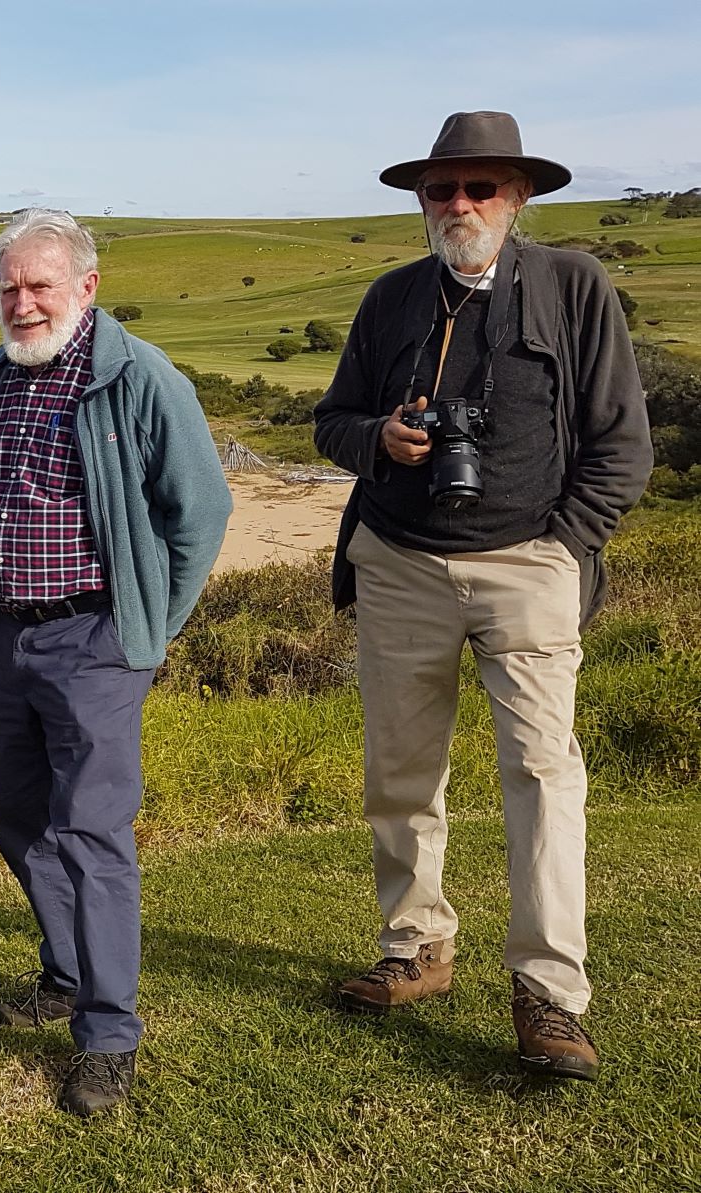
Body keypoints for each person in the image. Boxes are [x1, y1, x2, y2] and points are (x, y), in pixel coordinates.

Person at [313, 112, 652, 1080]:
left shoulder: (572, 285)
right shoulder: (389, 299)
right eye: (441, 190)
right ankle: (416, 941)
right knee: (400, 770)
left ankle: (550, 991)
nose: (458, 206)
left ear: (519, 196)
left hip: (529, 562)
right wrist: (378, 436)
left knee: (544, 776)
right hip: (397, 560)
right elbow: (328, 421)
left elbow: (621, 443)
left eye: (480, 188)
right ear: (421, 200)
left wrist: (563, 545)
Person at [0, 209, 231, 1115]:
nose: (23, 304)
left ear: (86, 287)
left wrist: (147, 632)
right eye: (10, 288)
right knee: (18, 813)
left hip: (95, 641)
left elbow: (204, 511)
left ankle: (108, 1033)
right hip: (7, 635)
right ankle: (65, 973)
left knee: (96, 834)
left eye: (40, 285)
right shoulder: (0, 370)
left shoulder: (140, 377)